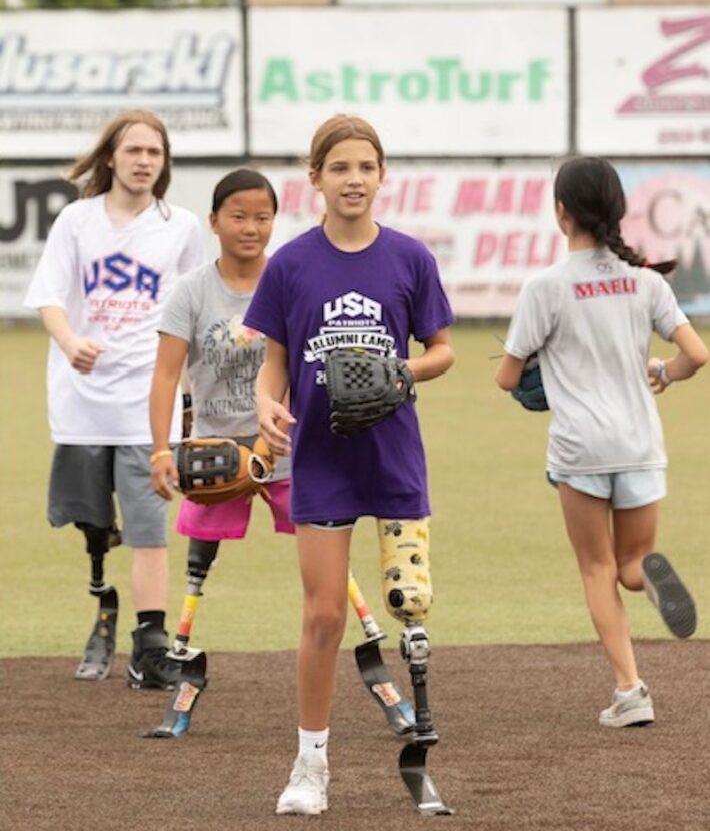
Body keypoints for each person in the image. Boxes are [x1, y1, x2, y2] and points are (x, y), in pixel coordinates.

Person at [243, 114, 455, 816]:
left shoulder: (408, 258)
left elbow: (442, 348)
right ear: (316, 179)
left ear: (382, 175)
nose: (354, 179)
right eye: (340, 168)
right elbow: (271, 364)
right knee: (325, 615)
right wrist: (265, 406)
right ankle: (310, 766)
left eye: (366, 167)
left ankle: (422, 742)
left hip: (393, 457)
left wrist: (400, 370)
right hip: (321, 458)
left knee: (409, 607)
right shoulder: (292, 265)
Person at [495, 155, 707, 729]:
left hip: (580, 447)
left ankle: (631, 690)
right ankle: (651, 578)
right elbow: (697, 354)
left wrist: (541, 376)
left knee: (595, 568)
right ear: (618, 210)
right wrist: (661, 373)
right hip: (640, 441)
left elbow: (508, 377)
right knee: (632, 562)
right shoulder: (646, 282)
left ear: (561, 213)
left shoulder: (546, 287)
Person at [24, 109, 204, 689]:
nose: (145, 161)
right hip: (82, 402)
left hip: (146, 403)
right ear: (111, 158)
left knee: (150, 525)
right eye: (134, 151)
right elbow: (49, 294)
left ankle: (149, 644)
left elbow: (195, 313)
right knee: (93, 522)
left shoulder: (181, 227)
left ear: (165, 162)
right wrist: (71, 340)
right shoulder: (77, 221)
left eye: (155, 152)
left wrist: (193, 394)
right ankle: (103, 599)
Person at [149, 169, 293, 637]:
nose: (251, 228)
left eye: (262, 217)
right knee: (199, 558)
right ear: (213, 221)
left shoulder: (289, 282)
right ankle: (181, 645)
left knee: (324, 541)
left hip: (286, 448)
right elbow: (166, 374)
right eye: (238, 216)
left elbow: (301, 364)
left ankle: (356, 633)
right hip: (213, 451)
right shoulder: (192, 290)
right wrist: (161, 450)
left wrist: (278, 441)